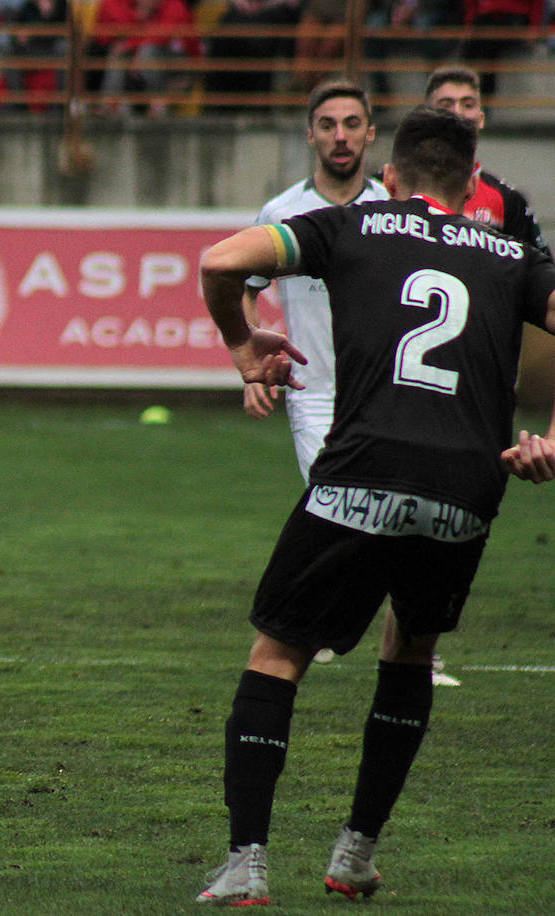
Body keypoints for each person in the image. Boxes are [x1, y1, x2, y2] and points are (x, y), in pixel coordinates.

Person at [194, 105, 555, 906]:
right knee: (411, 648)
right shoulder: (508, 252)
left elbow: (222, 261)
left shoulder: (351, 225)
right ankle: (355, 852)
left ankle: (247, 863)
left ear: (389, 178)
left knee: (278, 654)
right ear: (471, 189)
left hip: (363, 472)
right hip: (468, 490)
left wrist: (241, 346)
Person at [240, 78, 387, 667]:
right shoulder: (281, 213)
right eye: (328, 124)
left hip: (384, 391)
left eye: (352, 123)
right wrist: (252, 362)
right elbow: (245, 289)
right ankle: (320, 625)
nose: (341, 135)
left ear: (370, 133)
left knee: (395, 515)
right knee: (337, 508)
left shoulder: (393, 210)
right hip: (317, 394)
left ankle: (403, 646)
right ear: (310, 135)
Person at [423, 64, 548, 253]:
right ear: (425, 117)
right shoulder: (390, 186)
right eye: (446, 105)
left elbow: (538, 273)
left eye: (468, 105)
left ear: (481, 119)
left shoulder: (508, 200)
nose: (458, 113)